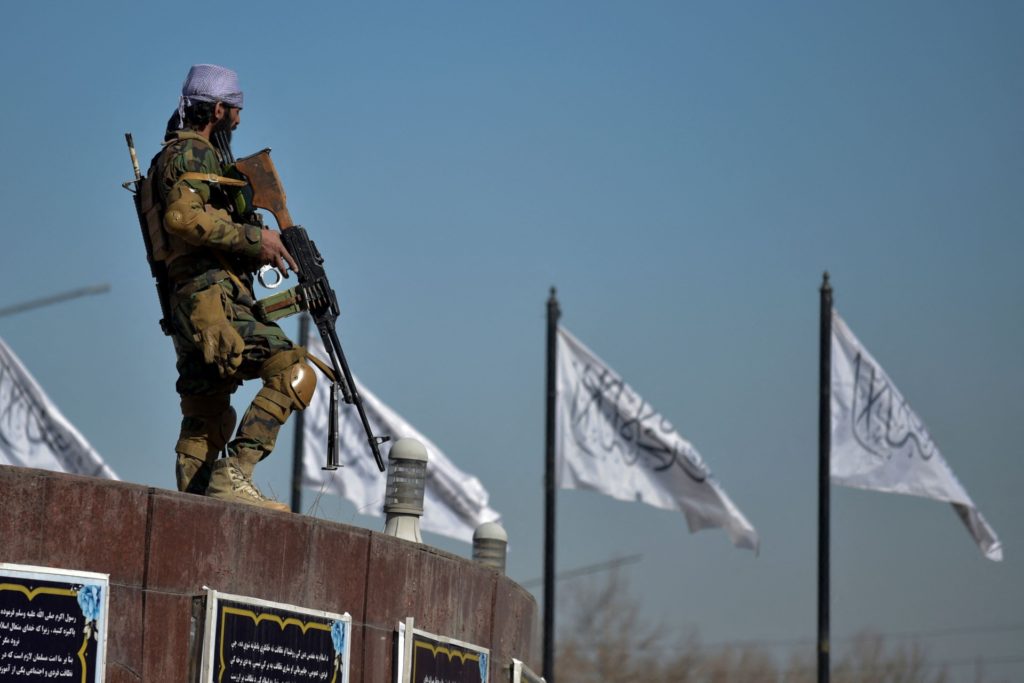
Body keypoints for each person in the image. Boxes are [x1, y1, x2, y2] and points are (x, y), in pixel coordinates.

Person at [148, 64, 316, 512]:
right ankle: (235, 473)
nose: (239, 121)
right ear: (218, 110)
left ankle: (193, 510)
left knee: (205, 414)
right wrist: (254, 238)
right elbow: (183, 219)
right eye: (236, 111)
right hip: (210, 300)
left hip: (191, 305)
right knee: (292, 370)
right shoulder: (192, 154)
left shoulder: (175, 157)